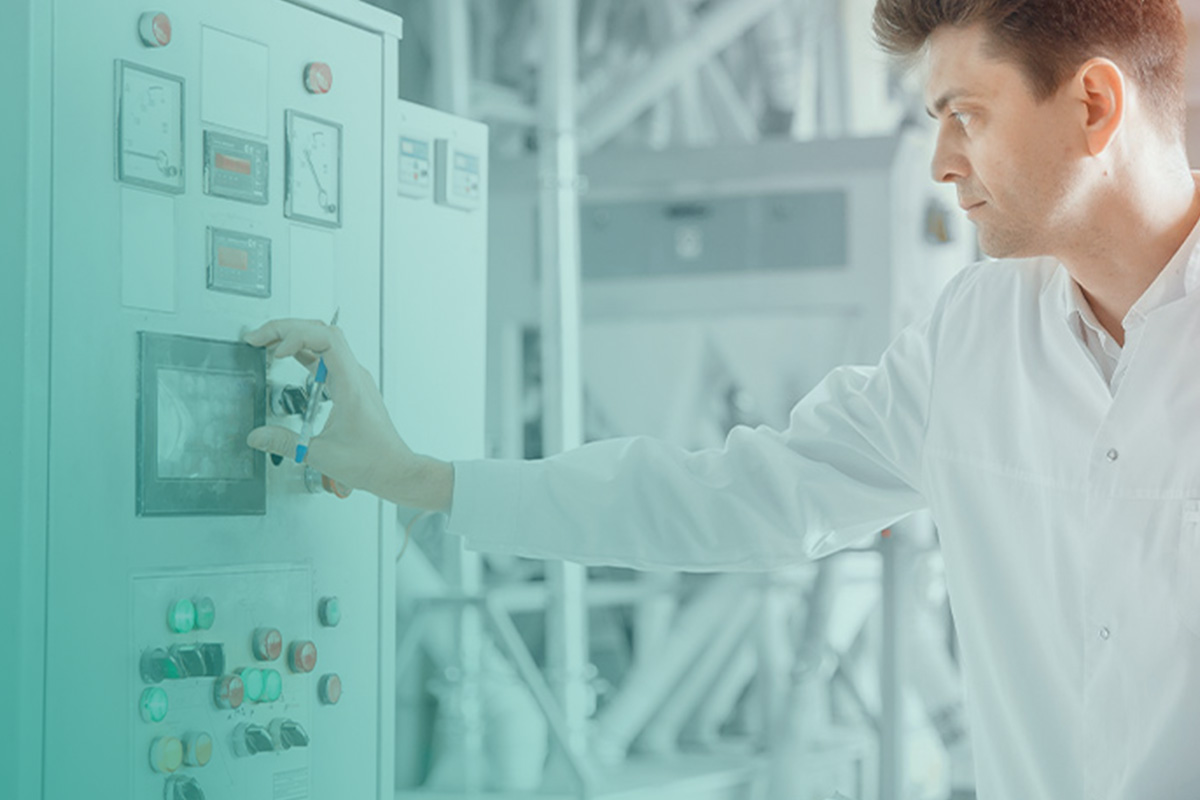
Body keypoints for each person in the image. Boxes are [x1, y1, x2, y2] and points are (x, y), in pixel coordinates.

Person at [244, 1, 1200, 797]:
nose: (942, 163)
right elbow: (734, 495)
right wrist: (422, 478)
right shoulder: (976, 337)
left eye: (968, 116)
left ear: (1094, 105)